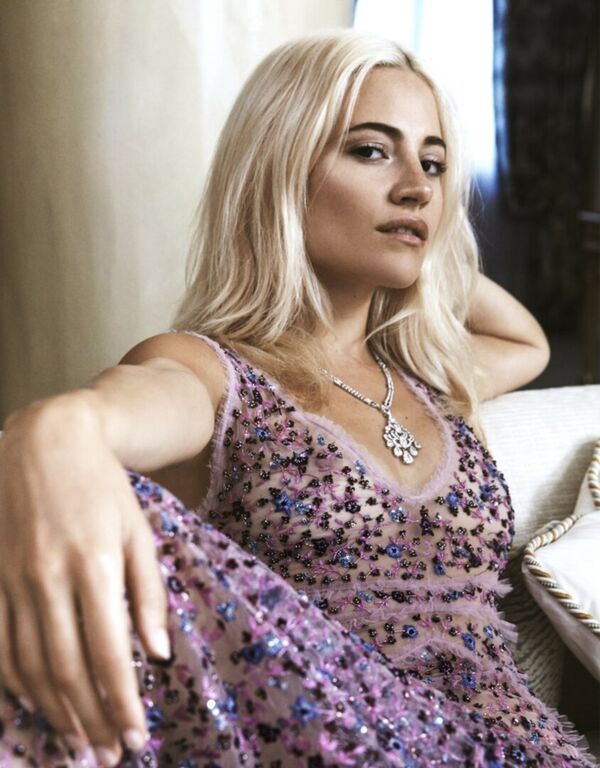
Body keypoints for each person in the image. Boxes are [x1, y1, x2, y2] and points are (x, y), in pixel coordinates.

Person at [0, 30, 595, 768]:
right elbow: (115, 412)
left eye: (434, 163)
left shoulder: (422, 377)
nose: (416, 186)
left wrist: (430, 243)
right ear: (281, 168)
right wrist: (54, 429)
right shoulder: (210, 373)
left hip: (518, 749)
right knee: (129, 512)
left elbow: (526, 341)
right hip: (336, 739)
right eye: (371, 150)